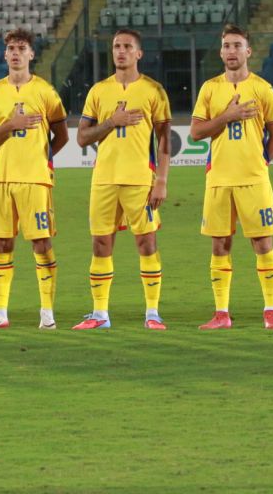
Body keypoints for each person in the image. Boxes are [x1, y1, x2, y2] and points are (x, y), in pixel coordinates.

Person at [73, 28, 171, 331]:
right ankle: (100, 314)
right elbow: (82, 137)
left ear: (138, 53)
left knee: (146, 242)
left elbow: (165, 139)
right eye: (116, 46)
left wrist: (162, 180)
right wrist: (110, 122)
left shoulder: (153, 90)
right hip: (104, 179)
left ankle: (152, 313)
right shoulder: (99, 91)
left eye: (128, 46)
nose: (121, 51)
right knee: (101, 244)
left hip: (140, 180)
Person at [189, 24, 273, 330]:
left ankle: (270, 312)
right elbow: (196, 133)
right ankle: (221, 314)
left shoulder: (262, 89)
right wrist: (225, 117)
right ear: (221, 52)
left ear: (248, 51)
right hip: (218, 179)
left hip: (253, 179)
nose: (231, 51)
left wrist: (260, 162)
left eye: (237, 45)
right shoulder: (210, 89)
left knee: (262, 243)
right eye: (227, 46)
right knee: (220, 245)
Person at [0, 29, 68, 330]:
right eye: (11, 48)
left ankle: (47, 314)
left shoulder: (45, 91)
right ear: (5, 55)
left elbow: (62, 134)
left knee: (41, 243)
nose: (15, 53)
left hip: (35, 180)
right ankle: (0, 312)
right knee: (1, 243)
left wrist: (39, 156)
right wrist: (10, 126)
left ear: (31, 54)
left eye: (22, 48)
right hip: (2, 180)